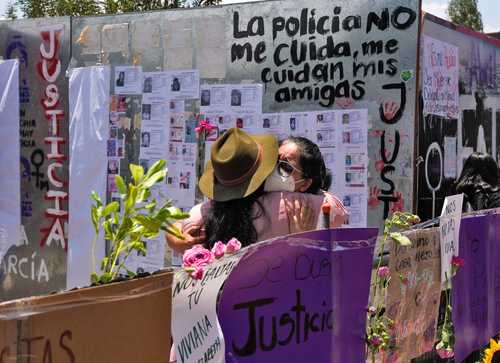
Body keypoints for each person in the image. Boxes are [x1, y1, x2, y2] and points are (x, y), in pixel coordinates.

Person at [166, 128, 346, 253]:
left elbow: (177, 230)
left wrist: (174, 234)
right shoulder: (298, 206)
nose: (274, 169)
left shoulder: (204, 213)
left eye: (284, 166)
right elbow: (337, 212)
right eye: (274, 161)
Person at [273, 136, 347, 226]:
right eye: (273, 160)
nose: (273, 168)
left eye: (286, 167)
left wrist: (304, 235)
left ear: (305, 184)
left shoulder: (323, 211)